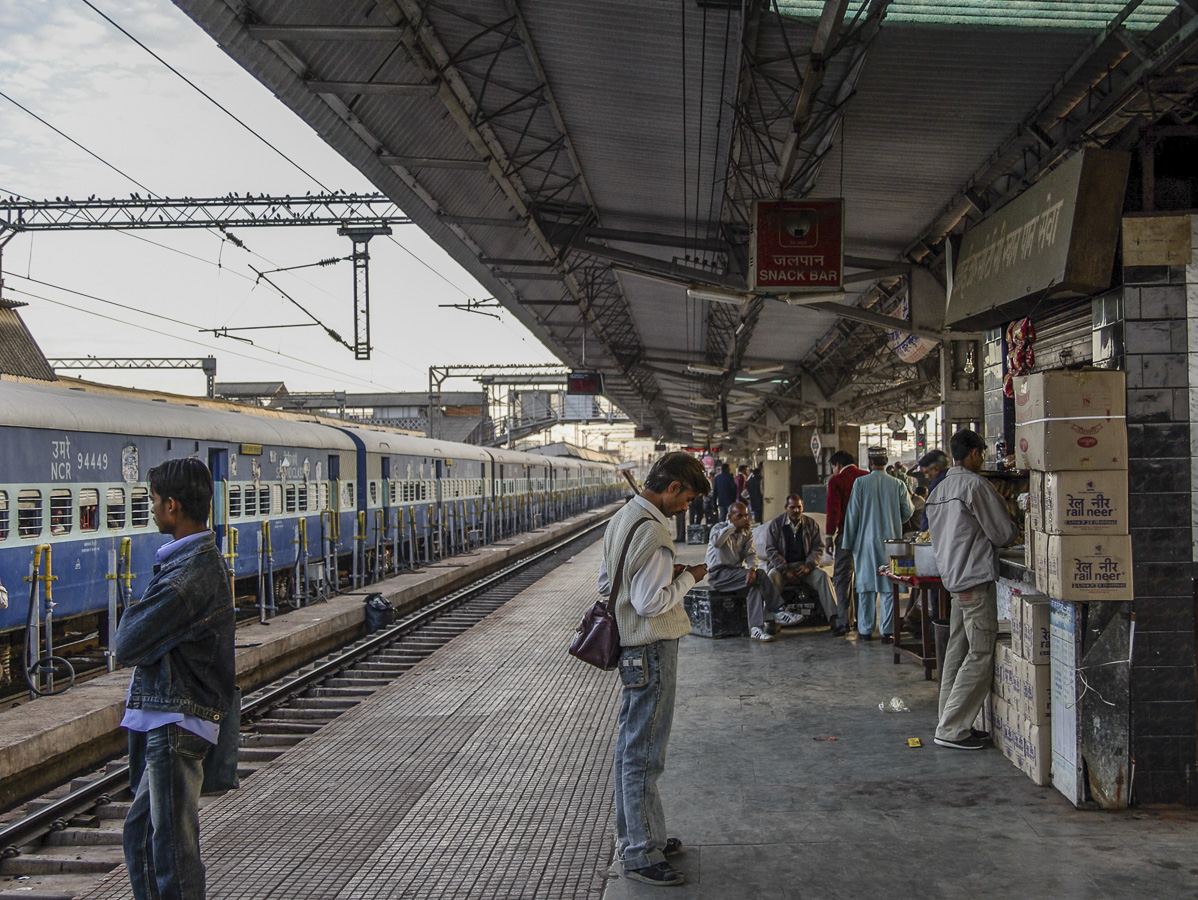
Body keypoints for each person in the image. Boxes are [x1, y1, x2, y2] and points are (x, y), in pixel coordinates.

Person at [115, 458, 236, 900]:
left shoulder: (188, 574)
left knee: (171, 849)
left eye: (152, 501)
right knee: (142, 838)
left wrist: (137, 618)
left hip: (177, 721)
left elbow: (126, 642)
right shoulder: (188, 564)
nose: (150, 510)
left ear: (172, 506)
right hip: (171, 716)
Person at [598, 451, 710, 886]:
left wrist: (665, 574)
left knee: (631, 749)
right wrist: (690, 578)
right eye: (685, 500)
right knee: (645, 755)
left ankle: (644, 836)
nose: (686, 508)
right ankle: (641, 854)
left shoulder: (624, 518)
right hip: (651, 650)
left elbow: (611, 584)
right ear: (672, 488)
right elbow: (650, 602)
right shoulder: (654, 532)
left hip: (631, 650)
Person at [926, 430, 1019, 751]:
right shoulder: (975, 486)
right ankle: (952, 728)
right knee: (980, 654)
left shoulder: (939, 488)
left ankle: (945, 719)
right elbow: (1003, 532)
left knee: (956, 652)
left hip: (953, 581)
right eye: (982, 453)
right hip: (975, 583)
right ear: (976, 454)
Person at [839, 447, 913, 642]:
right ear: (885, 462)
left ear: (870, 463)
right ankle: (887, 632)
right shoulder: (897, 484)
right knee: (889, 587)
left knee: (866, 587)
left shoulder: (860, 483)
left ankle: (865, 630)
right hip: (892, 543)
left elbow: (852, 515)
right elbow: (908, 511)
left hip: (865, 543)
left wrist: (847, 542)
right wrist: (894, 518)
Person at [705, 501, 785, 642]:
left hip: (736, 574)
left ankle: (756, 629)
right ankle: (777, 610)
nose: (744, 519)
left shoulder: (746, 532)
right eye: (739, 516)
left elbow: (751, 553)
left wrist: (752, 569)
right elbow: (717, 542)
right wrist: (733, 526)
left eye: (746, 516)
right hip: (719, 575)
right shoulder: (718, 528)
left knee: (755, 583)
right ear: (730, 517)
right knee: (761, 575)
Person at [762, 494, 840, 631]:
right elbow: (771, 550)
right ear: (786, 508)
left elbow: (818, 548)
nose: (796, 511)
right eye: (792, 507)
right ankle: (770, 621)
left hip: (804, 566)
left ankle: (834, 618)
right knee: (772, 578)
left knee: (823, 577)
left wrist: (809, 566)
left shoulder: (811, 524)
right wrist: (785, 570)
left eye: (799, 507)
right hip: (782, 568)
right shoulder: (776, 524)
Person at [825, 450, 867, 637]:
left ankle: (844, 621)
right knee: (862, 577)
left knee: (842, 577)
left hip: (846, 536)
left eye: (833, 467)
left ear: (838, 465)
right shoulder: (867, 477)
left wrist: (828, 536)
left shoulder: (836, 481)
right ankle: (863, 621)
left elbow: (833, 510)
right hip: (867, 536)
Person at [918, 449, 950, 532]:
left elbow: (928, 515)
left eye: (926, 472)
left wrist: (923, 534)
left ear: (936, 468)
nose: (926, 477)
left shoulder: (937, 485)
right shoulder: (954, 480)